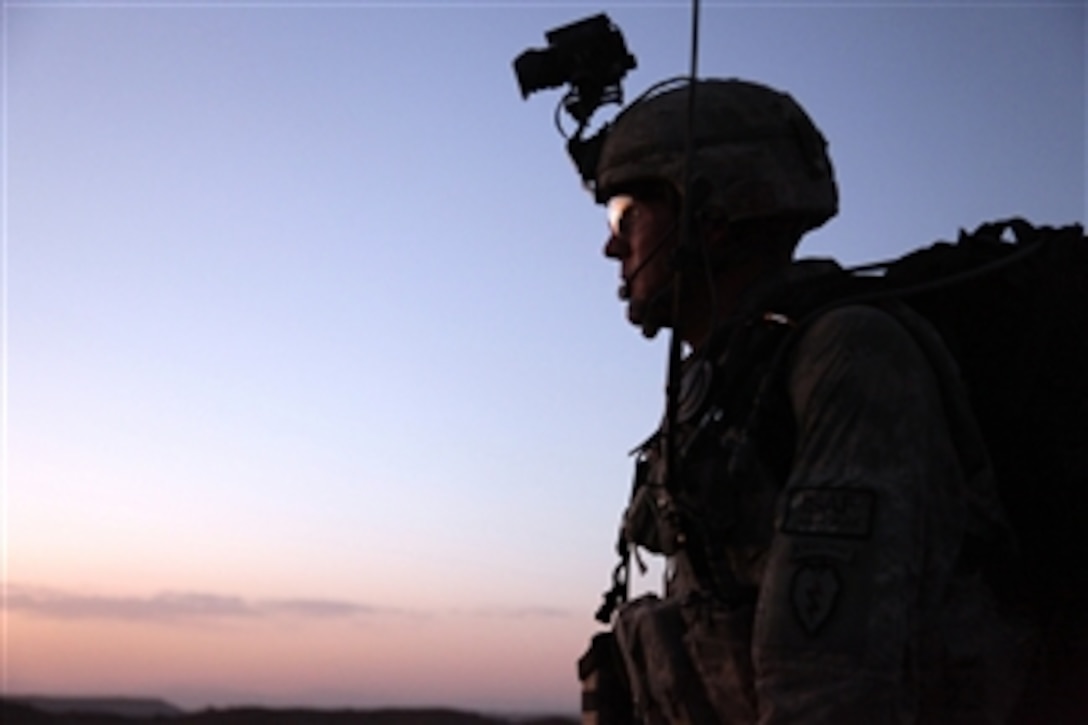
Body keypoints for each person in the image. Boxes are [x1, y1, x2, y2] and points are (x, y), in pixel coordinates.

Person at [585, 78, 1036, 723]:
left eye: (625, 213)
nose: (611, 246)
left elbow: (829, 687)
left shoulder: (850, 355)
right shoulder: (725, 385)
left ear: (708, 217)